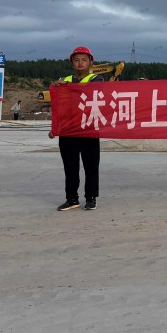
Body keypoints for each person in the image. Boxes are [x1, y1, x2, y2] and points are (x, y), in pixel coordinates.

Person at [49, 46, 105, 211]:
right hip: (68, 130)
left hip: (89, 129)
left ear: (91, 62)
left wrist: (66, 87)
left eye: (84, 60)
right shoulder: (64, 80)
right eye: (77, 60)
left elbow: (90, 93)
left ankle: (91, 198)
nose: (80, 63)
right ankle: (72, 198)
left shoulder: (97, 79)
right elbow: (58, 107)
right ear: (72, 62)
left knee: (91, 166)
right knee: (70, 167)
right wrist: (55, 128)